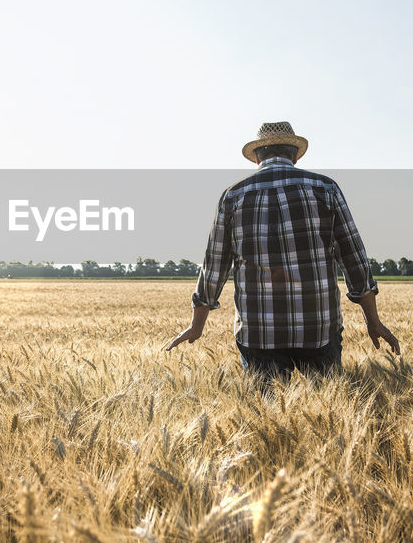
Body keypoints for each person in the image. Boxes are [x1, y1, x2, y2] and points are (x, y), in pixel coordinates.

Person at [165, 121, 400, 376]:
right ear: (295, 155)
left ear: (256, 157)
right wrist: (372, 321)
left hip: (258, 332)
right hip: (319, 328)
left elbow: (214, 264)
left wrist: (196, 325)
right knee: (323, 407)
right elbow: (354, 259)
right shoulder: (325, 189)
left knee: (265, 413)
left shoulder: (233, 196)